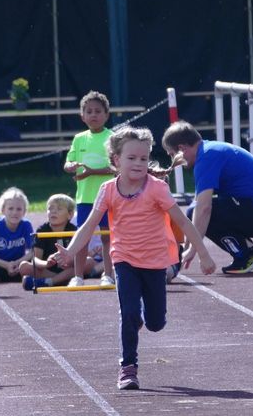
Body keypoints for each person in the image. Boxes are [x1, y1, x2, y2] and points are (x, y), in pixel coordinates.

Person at [53, 127, 217, 389]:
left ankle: (142, 319)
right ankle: (128, 367)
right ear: (116, 160)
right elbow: (89, 225)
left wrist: (204, 255)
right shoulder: (108, 190)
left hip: (155, 262)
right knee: (128, 312)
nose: (139, 163)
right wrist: (70, 251)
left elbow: (183, 222)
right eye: (132, 158)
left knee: (156, 322)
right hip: (124, 260)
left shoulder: (157, 188)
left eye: (143, 158)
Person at [161, 121, 253, 273]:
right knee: (194, 211)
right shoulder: (208, 151)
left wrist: (194, 250)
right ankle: (249, 251)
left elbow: (204, 209)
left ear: (181, 148)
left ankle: (246, 255)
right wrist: (183, 251)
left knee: (204, 213)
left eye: (172, 154)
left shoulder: (206, 158)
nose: (173, 160)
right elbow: (197, 206)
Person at [64, 91, 116, 286]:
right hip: (84, 198)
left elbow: (117, 167)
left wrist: (92, 172)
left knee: (107, 237)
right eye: (89, 111)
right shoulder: (79, 139)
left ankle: (108, 275)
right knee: (82, 238)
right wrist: (70, 166)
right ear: (82, 116)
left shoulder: (112, 138)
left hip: (108, 197)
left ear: (106, 115)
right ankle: (78, 277)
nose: (93, 115)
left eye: (98, 111)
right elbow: (68, 162)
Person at [19, 193, 83, 290]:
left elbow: (79, 256)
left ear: (70, 215)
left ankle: (48, 282)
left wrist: (69, 261)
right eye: (50, 208)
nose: (53, 211)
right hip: (48, 270)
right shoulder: (42, 231)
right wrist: (46, 263)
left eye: (59, 209)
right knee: (24, 266)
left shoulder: (74, 231)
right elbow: (35, 259)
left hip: (68, 269)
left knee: (87, 262)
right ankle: (58, 280)